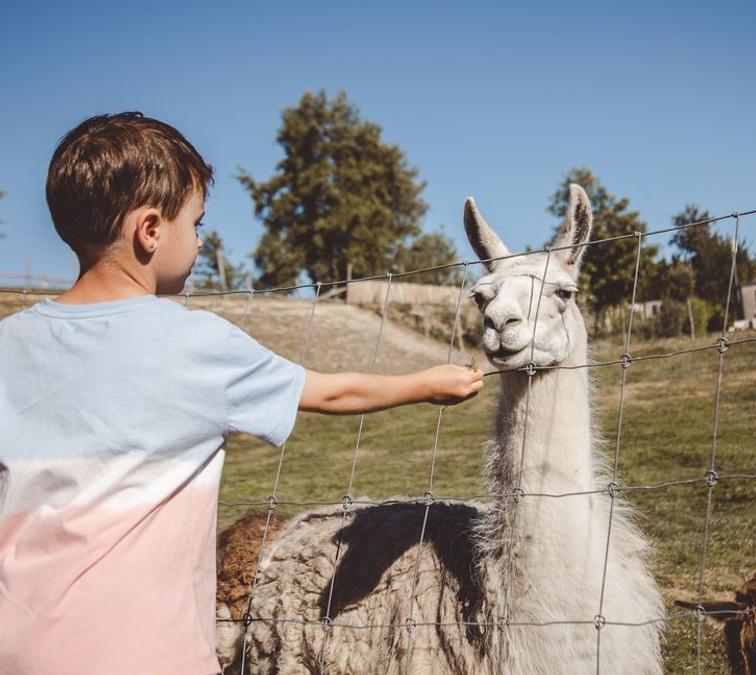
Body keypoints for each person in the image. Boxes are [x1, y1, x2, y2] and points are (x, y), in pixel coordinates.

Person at [0, 112, 483, 674]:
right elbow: (330, 394)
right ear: (150, 230)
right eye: (196, 224)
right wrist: (425, 384)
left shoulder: (9, 343)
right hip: (146, 654)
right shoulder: (195, 343)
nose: (201, 240)